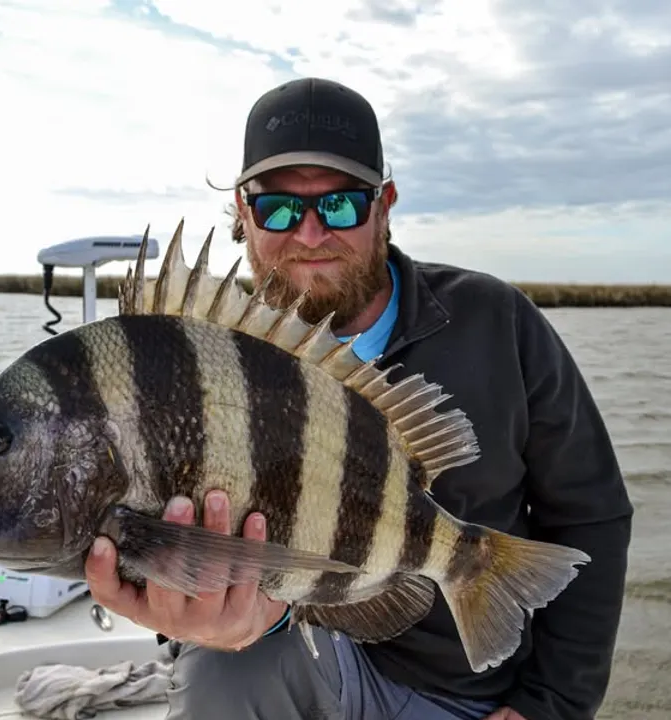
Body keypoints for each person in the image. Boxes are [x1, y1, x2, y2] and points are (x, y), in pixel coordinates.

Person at [85, 76, 634, 720]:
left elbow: (591, 515)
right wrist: (198, 615)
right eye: (279, 208)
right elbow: (161, 523)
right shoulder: (193, 354)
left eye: (342, 205)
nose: (312, 235)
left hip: (460, 693)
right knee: (214, 681)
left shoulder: (496, 322)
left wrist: (553, 705)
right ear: (241, 210)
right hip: (279, 645)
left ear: (386, 202)